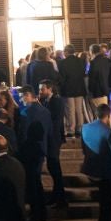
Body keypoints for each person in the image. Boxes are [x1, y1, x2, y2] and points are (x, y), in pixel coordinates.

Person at [17, 85, 49, 221]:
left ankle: (37, 213)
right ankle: (42, 212)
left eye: (22, 96)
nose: (20, 99)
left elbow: (22, 135)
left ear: (28, 95)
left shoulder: (26, 112)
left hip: (29, 152)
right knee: (37, 181)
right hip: (41, 150)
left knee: (32, 183)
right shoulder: (45, 111)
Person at [39, 79, 67, 208]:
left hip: (54, 139)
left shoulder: (57, 101)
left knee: (54, 167)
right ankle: (57, 196)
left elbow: (55, 121)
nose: (40, 91)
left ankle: (60, 198)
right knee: (52, 167)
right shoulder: (45, 101)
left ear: (50, 89)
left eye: (42, 89)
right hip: (50, 139)